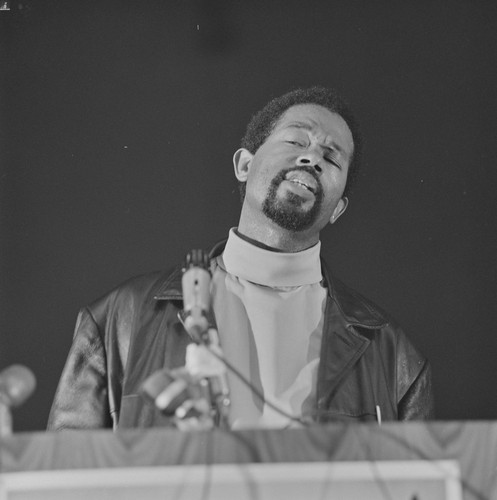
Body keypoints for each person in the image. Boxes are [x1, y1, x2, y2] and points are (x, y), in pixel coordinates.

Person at [47, 87, 434, 430]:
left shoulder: (395, 355)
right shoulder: (118, 318)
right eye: (297, 141)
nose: (312, 158)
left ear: (338, 210)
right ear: (245, 166)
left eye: (332, 159)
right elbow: (59, 481)